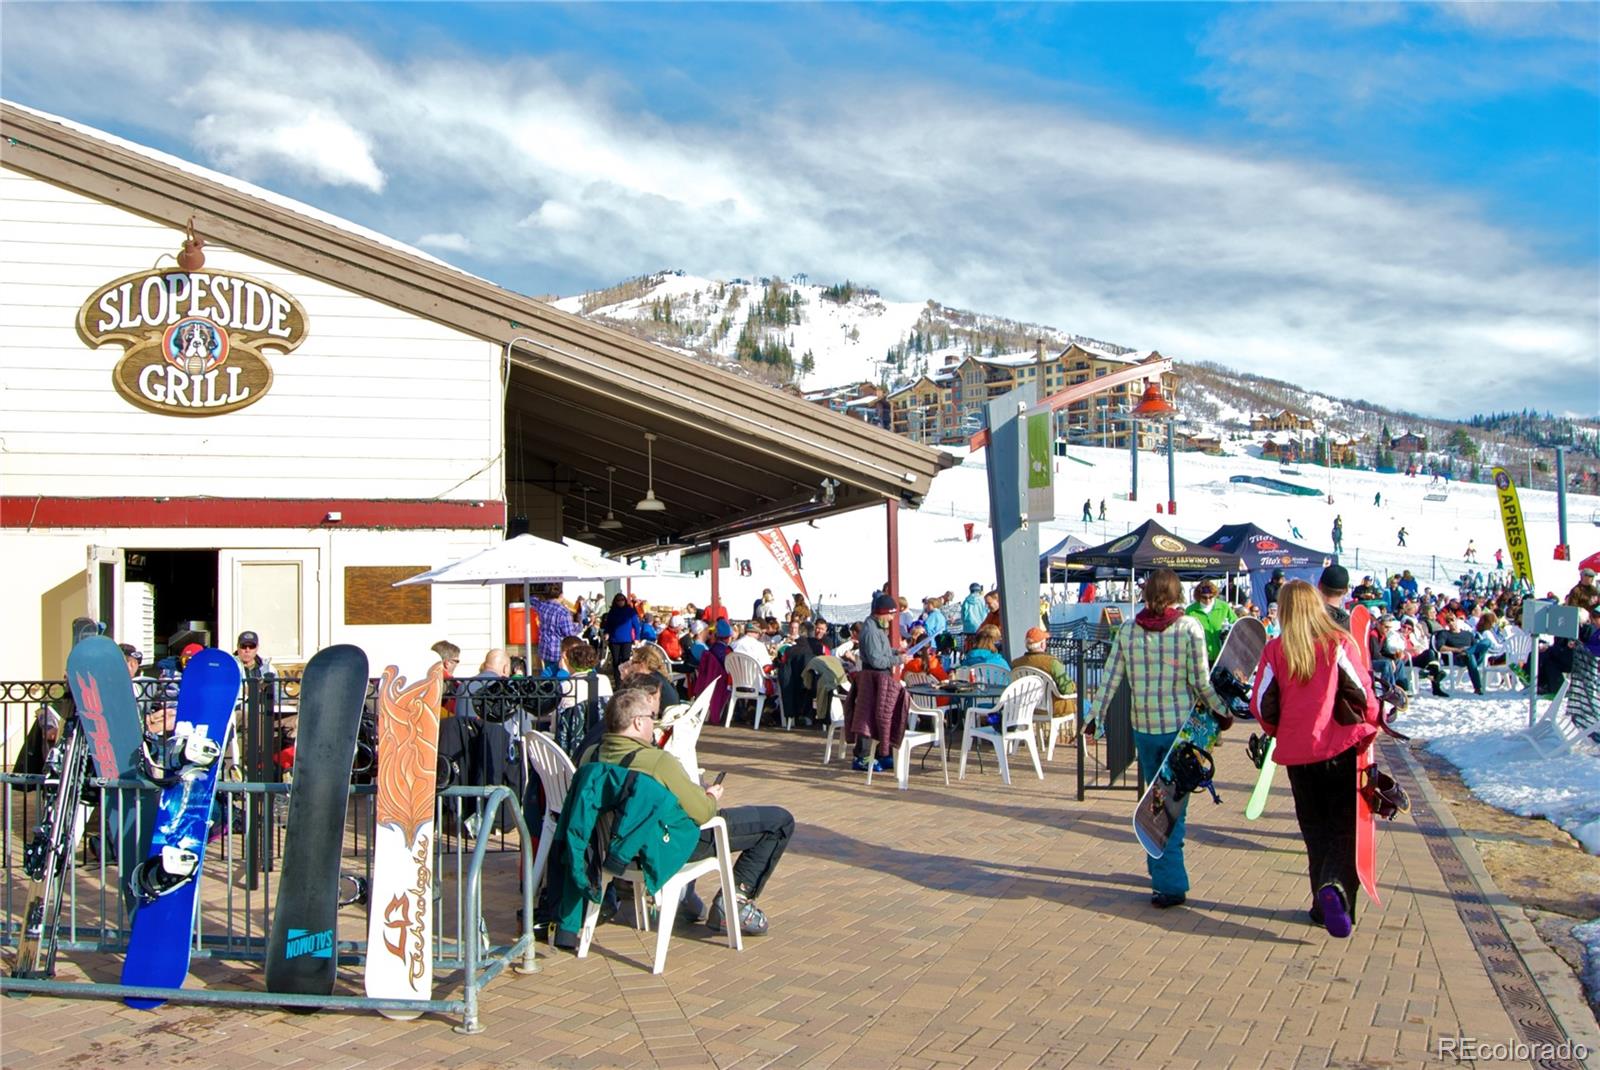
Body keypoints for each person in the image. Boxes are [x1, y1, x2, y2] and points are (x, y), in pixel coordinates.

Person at [579, 687, 793, 936]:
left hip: (614, 849)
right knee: (779, 821)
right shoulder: (656, 761)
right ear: (638, 723)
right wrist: (710, 796)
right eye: (651, 718)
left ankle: (713, 902)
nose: (655, 724)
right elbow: (703, 813)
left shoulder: (590, 756)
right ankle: (734, 900)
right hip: (663, 846)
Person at [1250, 580, 1378, 938]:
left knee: (1314, 829)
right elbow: (1363, 694)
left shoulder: (1275, 650)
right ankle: (1336, 889)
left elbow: (1261, 704)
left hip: (1297, 755)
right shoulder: (1339, 643)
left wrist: (1279, 729)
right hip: (1340, 748)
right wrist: (1374, 720)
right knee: (1345, 828)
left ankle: (1322, 908)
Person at [1098, 569, 1229, 909]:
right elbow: (1201, 682)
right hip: (1178, 730)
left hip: (1144, 728)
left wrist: (1093, 716)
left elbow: (1111, 678)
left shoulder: (1127, 630)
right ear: (1177, 594)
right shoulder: (1189, 628)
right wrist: (1222, 711)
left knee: (1156, 801)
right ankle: (1168, 883)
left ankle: (1160, 871)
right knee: (1170, 807)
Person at [844, 593, 906, 773]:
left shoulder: (878, 628)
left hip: (880, 678)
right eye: (891, 614)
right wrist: (899, 659)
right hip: (873, 679)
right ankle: (861, 757)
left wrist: (895, 651)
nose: (893, 618)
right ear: (882, 613)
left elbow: (881, 651)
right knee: (867, 717)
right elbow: (877, 660)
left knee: (882, 717)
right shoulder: (871, 631)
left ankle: (881, 753)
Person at [1011, 627, 1075, 723]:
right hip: (1053, 709)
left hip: (1027, 709)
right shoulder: (1052, 663)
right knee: (1085, 705)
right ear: (1042, 644)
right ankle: (1088, 736)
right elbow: (1067, 689)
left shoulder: (1016, 664)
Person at [1185, 580, 1237, 663]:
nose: (1208, 600)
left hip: (1222, 657)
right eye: (1204, 597)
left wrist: (1228, 631)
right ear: (1198, 596)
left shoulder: (1224, 607)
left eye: (1211, 597)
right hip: (1200, 658)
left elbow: (1236, 625)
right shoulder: (1190, 610)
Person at [532, 584, 579, 668]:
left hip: (544, 649)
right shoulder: (563, 612)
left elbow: (532, 599)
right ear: (561, 595)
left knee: (549, 675)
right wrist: (579, 627)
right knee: (559, 677)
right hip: (558, 651)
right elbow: (570, 635)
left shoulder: (542, 606)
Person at [456, 649, 510, 721]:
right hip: (496, 731)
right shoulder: (506, 687)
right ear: (505, 668)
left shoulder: (464, 685)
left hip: (463, 730)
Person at [602, 594, 642, 675]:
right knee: (616, 661)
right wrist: (606, 633)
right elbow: (608, 624)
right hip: (614, 640)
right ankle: (617, 680)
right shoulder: (612, 611)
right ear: (615, 602)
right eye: (618, 600)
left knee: (626, 661)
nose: (620, 602)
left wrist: (637, 638)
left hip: (626, 640)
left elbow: (636, 626)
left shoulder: (630, 611)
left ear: (625, 600)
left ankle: (626, 679)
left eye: (622, 600)